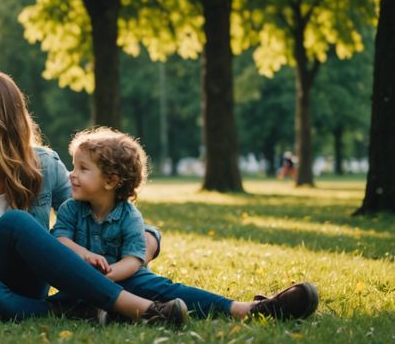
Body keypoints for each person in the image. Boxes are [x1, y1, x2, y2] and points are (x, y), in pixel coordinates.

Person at [0, 69, 187, 325]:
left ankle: (134, 306)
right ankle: (95, 309)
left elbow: (95, 210)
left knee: (15, 223)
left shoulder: (44, 166)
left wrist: (148, 236)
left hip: (28, 281)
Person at [53, 127, 319, 321]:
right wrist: (86, 258)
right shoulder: (70, 209)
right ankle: (112, 313)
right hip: (81, 284)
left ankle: (247, 309)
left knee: (167, 290)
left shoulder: (129, 216)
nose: (71, 175)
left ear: (110, 181)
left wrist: (109, 274)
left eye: (81, 169)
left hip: (127, 280)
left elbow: (135, 260)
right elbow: (60, 241)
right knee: (61, 303)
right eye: (73, 167)